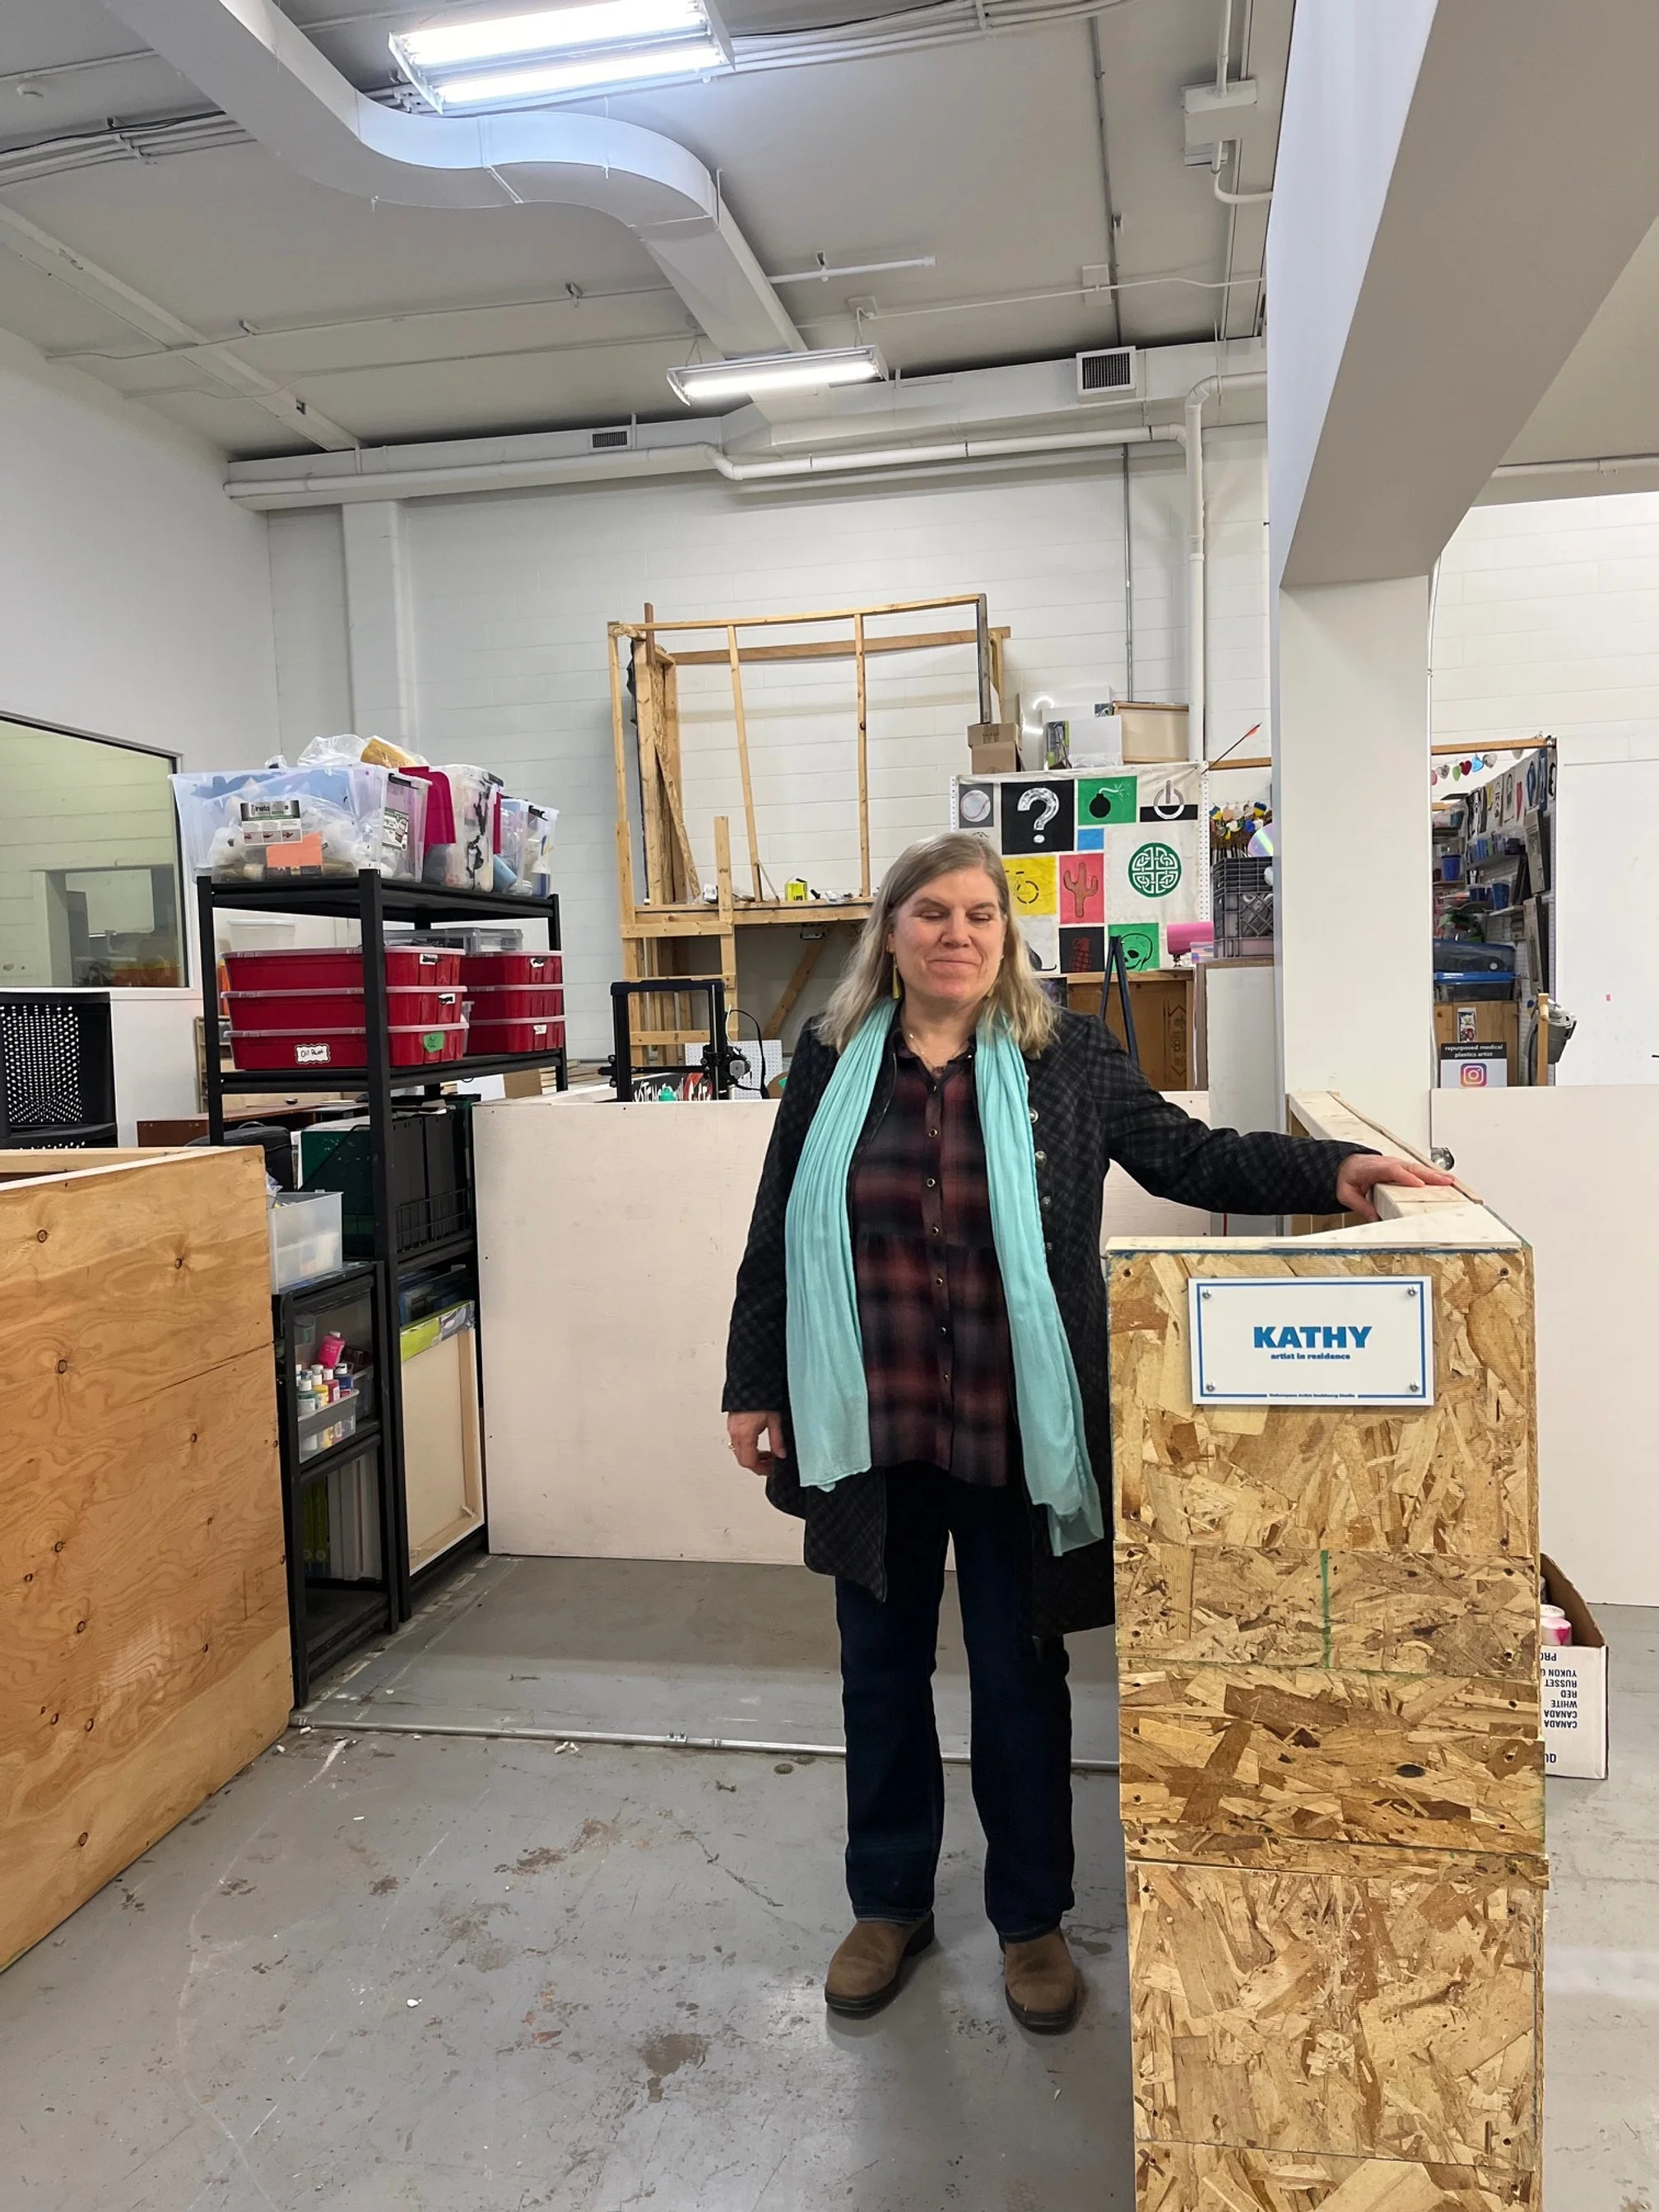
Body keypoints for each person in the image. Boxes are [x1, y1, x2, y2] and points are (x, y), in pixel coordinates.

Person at [723, 831, 1451, 2033]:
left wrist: (1337, 1171)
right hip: (870, 1419)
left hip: (1018, 1428)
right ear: (890, 933)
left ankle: (1030, 1922)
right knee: (880, 1672)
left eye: (980, 915)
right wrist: (754, 1387)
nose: (958, 934)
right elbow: (774, 1231)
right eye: (933, 914)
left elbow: (1191, 1156)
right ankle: (889, 1902)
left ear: (1005, 936)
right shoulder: (829, 1057)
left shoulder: (1067, 1057)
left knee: (1020, 1675)